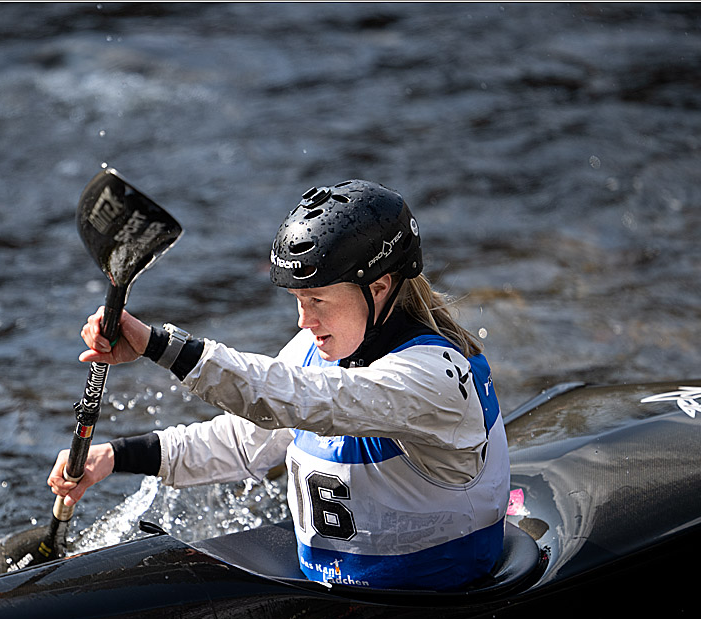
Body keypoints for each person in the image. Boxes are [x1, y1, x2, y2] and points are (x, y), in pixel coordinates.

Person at [48, 179, 510, 590]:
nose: (303, 320)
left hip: (436, 603)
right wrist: (117, 457)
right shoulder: (321, 347)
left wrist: (158, 345)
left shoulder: (435, 378)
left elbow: (297, 400)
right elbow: (245, 443)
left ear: (382, 286)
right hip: (331, 596)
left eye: (316, 300)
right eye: (297, 300)